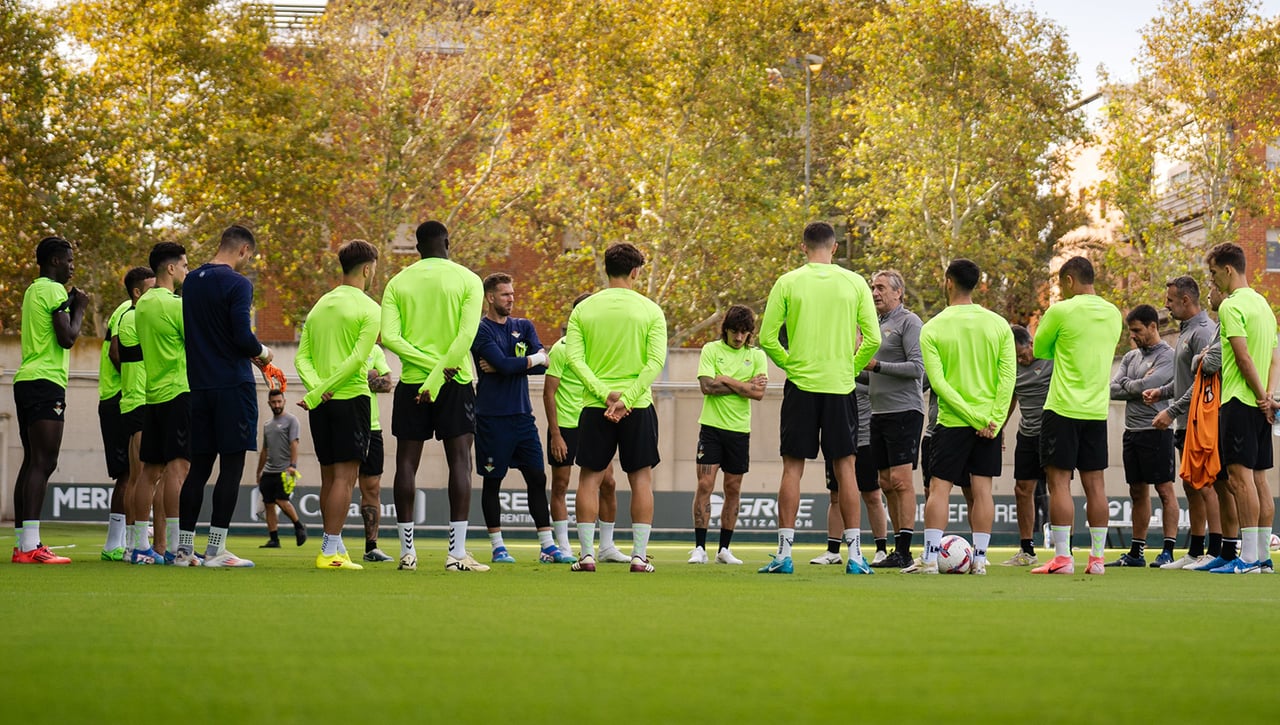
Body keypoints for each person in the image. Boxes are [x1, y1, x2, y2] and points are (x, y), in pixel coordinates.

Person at [758, 221, 880, 574]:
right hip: (840, 387)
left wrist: (791, 365)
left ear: (803, 248)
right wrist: (849, 367)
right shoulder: (855, 282)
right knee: (847, 469)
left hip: (802, 386)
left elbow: (768, 338)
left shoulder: (788, 282)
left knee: (792, 468)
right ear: (835, 248)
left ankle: (784, 555)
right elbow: (872, 339)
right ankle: (856, 556)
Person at [381, 220, 487, 573]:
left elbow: (391, 339)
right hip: (455, 379)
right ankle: (456, 555)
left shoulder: (397, 283)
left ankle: (407, 553)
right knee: (460, 461)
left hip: (413, 382)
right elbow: (465, 337)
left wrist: (427, 371)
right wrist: (441, 371)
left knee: (406, 463)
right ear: (447, 241)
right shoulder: (469, 280)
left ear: (417, 247)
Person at [906, 259, 1015, 575]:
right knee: (983, 491)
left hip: (953, 422)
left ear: (948, 282)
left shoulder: (933, 327)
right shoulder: (998, 325)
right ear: (979, 284)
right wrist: (991, 418)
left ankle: (929, 559)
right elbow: (1008, 378)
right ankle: (979, 560)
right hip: (988, 424)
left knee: (939, 489)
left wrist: (971, 416)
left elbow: (938, 384)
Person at [564, 243, 668, 573]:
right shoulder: (651, 310)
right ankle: (639, 557)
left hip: (596, 406)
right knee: (641, 480)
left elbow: (574, 359)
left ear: (606, 269)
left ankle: (586, 556)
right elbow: (655, 362)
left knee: (589, 481)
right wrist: (629, 398)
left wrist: (605, 394)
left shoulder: (584, 310)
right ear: (636, 272)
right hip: (638, 406)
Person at [176, 225, 274, 569]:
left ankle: (184, 551)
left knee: (198, 469)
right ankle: (216, 549)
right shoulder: (237, 283)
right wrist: (264, 353)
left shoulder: (191, 281)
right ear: (244, 250)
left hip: (199, 386)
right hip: (232, 386)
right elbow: (241, 337)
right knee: (231, 468)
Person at [1031, 256, 1124, 575]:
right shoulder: (1113, 313)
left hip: (1062, 408)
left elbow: (1039, 350)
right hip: (1096, 410)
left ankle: (1063, 558)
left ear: (1069, 280)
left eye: (1060, 284)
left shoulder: (1060, 311)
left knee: (1059, 484)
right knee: (1096, 485)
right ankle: (1097, 560)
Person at [296, 239, 381, 570]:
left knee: (329, 478)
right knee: (345, 479)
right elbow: (358, 359)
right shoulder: (371, 308)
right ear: (367, 269)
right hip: (349, 399)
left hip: (322, 403)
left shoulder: (320, 305)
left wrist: (317, 389)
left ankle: (336, 545)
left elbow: (302, 357)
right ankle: (329, 551)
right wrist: (323, 390)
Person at [471, 272, 566, 564]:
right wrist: (518, 363)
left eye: (512, 293)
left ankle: (548, 546)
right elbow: (503, 363)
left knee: (537, 477)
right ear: (490, 297)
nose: (511, 299)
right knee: (493, 481)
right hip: (491, 417)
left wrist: (516, 364)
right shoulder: (481, 330)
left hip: (523, 416)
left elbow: (542, 363)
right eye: (504, 294)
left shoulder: (523, 326)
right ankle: (498, 546)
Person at [11, 236, 88, 564]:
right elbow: (67, 337)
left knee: (31, 461)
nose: (72, 266)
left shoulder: (32, 290)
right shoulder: (54, 290)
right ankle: (31, 546)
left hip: (26, 380)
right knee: (44, 462)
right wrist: (79, 307)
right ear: (54, 261)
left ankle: (22, 543)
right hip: (45, 382)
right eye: (68, 260)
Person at [1202, 243, 1277, 573]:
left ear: (1228, 269)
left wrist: (1261, 394)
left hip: (1237, 401)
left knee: (1239, 480)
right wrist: (1270, 397)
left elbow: (1243, 357)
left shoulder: (1232, 306)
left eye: (1213, 272)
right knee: (1259, 481)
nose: (1213, 279)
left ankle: (1246, 559)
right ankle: (1261, 558)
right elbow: (1275, 357)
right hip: (1261, 406)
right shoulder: (1264, 305)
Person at [543, 294, 626, 564]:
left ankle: (607, 547)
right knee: (561, 485)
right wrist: (555, 433)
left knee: (609, 483)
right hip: (566, 426)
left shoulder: (600, 348)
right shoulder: (561, 349)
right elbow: (549, 392)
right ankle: (564, 547)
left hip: (593, 421)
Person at [1148, 276, 1224, 569]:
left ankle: (1215, 550)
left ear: (1185, 300)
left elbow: (1204, 385)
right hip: (1184, 421)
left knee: (1207, 486)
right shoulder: (1186, 331)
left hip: (1200, 421)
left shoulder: (1204, 332)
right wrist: (1163, 392)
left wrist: (1171, 410)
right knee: (1192, 485)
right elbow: (1185, 380)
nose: (1165, 305)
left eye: (1169, 300)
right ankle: (1195, 551)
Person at [689, 304, 767, 565]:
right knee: (705, 485)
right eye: (734, 331)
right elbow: (707, 387)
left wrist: (729, 380)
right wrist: (744, 386)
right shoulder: (711, 350)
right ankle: (699, 547)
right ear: (726, 330)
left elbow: (758, 394)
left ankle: (724, 549)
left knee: (732, 488)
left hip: (739, 431)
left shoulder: (756, 356)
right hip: (711, 428)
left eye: (744, 333)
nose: (738, 337)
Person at [134, 242, 191, 565]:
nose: (186, 270)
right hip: (178, 390)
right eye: (183, 265)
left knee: (149, 471)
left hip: (152, 393)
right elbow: (196, 341)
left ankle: (139, 545)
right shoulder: (174, 305)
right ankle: (174, 547)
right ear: (170, 268)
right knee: (178, 468)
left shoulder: (141, 304)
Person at [1108, 304, 1177, 567]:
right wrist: (1133, 386)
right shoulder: (1130, 357)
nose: (1133, 336)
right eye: (1130, 331)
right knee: (1137, 491)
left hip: (1157, 431)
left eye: (1137, 330)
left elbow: (1149, 386)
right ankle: (1137, 552)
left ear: (1152, 327)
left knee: (1164, 490)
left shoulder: (1167, 356)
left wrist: (1131, 385)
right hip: (1132, 432)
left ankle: (1168, 550)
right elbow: (1113, 389)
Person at [864, 269, 925, 569]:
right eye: (873, 287)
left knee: (901, 481)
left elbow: (917, 368)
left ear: (899, 293)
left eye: (881, 288)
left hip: (905, 411)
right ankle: (897, 551)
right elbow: (869, 376)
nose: (875, 293)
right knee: (885, 481)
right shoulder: (873, 326)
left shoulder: (909, 322)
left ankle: (905, 551)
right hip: (879, 412)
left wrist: (876, 366)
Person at [98, 269, 148, 561]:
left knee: (134, 472)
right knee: (129, 473)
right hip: (119, 398)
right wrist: (134, 377)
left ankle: (125, 540)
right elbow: (116, 352)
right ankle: (117, 543)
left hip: (124, 397)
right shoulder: (126, 311)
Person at [112, 267, 156, 560]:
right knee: (142, 476)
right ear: (137, 293)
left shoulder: (131, 317)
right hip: (140, 401)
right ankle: (139, 545)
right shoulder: (132, 317)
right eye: (152, 290)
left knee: (134, 477)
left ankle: (130, 545)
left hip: (134, 401)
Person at [1001, 325, 1053, 566]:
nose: (1021, 360)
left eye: (1023, 354)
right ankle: (1027, 550)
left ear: (1031, 343)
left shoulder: (1052, 360)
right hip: (1027, 434)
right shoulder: (1011, 368)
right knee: (1022, 489)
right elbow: (1010, 399)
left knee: (1058, 488)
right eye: (1016, 357)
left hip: (1052, 433)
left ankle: (1065, 550)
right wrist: (1000, 427)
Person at [254, 389, 307, 549]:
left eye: (279, 401)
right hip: (269, 471)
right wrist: (259, 471)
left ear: (284, 401)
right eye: (274, 402)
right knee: (269, 504)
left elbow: (294, 443)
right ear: (269, 403)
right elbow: (265, 450)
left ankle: (299, 526)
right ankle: (274, 538)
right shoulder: (267, 425)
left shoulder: (292, 421)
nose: (277, 404)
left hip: (284, 471)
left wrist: (293, 465)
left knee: (281, 501)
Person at [358, 343, 394, 562]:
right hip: (345, 425)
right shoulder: (339, 344)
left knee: (372, 487)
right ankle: (333, 543)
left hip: (371, 428)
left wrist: (359, 378)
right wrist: (368, 376)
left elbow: (387, 384)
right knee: (338, 482)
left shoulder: (374, 350)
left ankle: (371, 548)